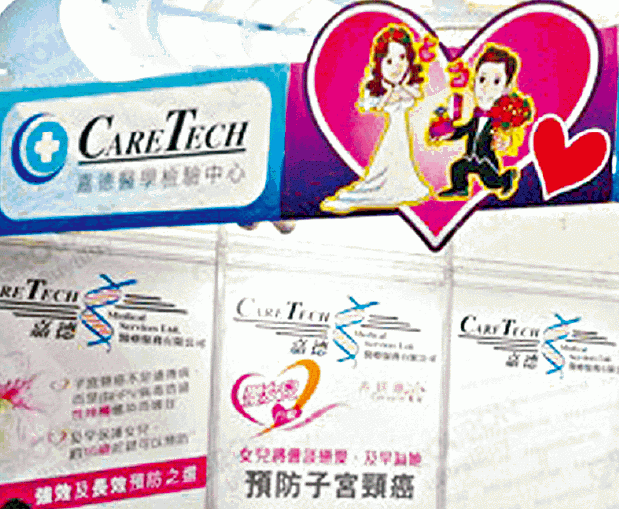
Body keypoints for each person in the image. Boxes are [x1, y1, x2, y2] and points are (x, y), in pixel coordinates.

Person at [321, 25, 433, 213]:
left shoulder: (407, 85)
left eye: (402, 57)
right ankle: (369, 191)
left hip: (402, 130)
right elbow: (376, 105)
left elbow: (416, 94)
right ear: (380, 63)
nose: (397, 65)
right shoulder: (379, 87)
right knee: (384, 161)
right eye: (389, 61)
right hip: (392, 130)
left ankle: (401, 186)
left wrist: (401, 88)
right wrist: (391, 93)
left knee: (401, 157)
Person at [435, 45, 521, 199]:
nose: (486, 87)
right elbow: (464, 130)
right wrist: (449, 134)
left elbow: (507, 135)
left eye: (496, 81)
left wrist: (504, 140)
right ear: (473, 82)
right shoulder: (475, 116)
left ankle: (506, 177)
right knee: (457, 168)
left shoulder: (499, 119)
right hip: (471, 157)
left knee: (491, 182)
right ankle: (460, 188)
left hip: (485, 161)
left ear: (506, 88)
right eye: (481, 80)